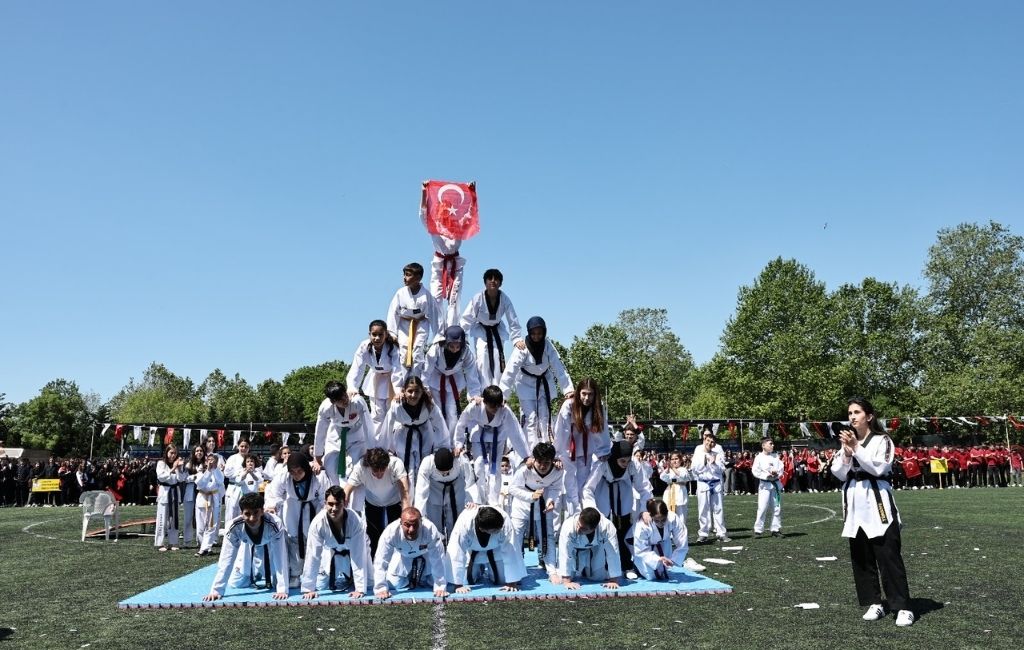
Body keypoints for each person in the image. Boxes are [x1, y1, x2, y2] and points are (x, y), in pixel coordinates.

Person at [831, 397, 914, 627]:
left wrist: (856, 448)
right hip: (854, 503)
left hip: (877, 502)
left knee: (888, 556)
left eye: (857, 412)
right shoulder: (848, 442)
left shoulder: (882, 440)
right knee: (862, 557)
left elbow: (879, 467)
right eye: (850, 413)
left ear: (869, 416)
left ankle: (902, 606)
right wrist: (847, 453)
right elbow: (838, 472)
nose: (852, 417)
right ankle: (874, 602)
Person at [498, 316, 574, 447]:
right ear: (529, 332)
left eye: (539, 333)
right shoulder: (522, 347)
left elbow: (559, 367)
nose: (536, 336)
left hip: (544, 382)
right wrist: (503, 395)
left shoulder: (548, 345)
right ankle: (532, 448)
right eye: (533, 333)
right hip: (525, 384)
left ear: (544, 332)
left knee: (544, 416)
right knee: (531, 418)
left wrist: (568, 389)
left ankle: (545, 446)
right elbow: (510, 371)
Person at [581, 440, 653, 578]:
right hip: (602, 497)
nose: (625, 464)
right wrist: (592, 510)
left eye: (628, 460)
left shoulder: (634, 465)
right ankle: (602, 566)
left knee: (624, 532)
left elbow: (645, 488)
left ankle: (626, 565)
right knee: (602, 533)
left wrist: (644, 509)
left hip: (624, 498)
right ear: (614, 457)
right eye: (622, 461)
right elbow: (588, 489)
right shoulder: (602, 464)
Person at [203, 493, 289, 601]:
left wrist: (282, 589)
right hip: (247, 547)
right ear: (241, 514)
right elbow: (226, 558)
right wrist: (216, 590)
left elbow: (280, 556)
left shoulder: (275, 524)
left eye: (256, 512)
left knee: (278, 582)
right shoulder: (234, 527)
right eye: (247, 514)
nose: (252, 518)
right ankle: (253, 573)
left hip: (271, 547)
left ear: (262, 511)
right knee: (236, 583)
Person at [454, 385, 529, 506]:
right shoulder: (475, 406)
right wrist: (458, 443)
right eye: (492, 406)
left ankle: (493, 501)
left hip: (497, 437)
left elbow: (515, 431)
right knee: (479, 466)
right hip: (479, 436)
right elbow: (462, 423)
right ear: (484, 401)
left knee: (495, 469)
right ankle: (481, 500)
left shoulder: (505, 410)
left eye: (497, 406)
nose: (495, 409)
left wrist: (525, 455)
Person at [265, 453, 330, 588]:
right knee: (294, 540)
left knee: (317, 540)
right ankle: (295, 573)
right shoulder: (284, 475)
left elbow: (325, 498)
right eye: (293, 472)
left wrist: (324, 513)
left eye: (299, 471)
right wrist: (272, 505)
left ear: (305, 468)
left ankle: (318, 572)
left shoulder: (318, 476)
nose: (296, 475)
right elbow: (274, 493)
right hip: (293, 508)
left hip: (314, 508)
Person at [379, 375, 448, 497]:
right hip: (403, 437)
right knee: (407, 469)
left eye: (417, 391)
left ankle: (423, 498)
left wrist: (443, 447)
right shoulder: (397, 405)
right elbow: (388, 426)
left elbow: (440, 424)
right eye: (410, 391)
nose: (413, 395)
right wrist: (384, 450)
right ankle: (407, 500)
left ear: (422, 391)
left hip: (425, 435)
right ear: (403, 391)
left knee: (423, 466)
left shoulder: (429, 404)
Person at [300, 485, 370, 600]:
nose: (334, 508)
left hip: (358, 551)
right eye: (330, 504)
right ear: (325, 504)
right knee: (320, 586)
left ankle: (355, 580)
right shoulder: (318, 523)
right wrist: (309, 588)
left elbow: (358, 554)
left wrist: (360, 588)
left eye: (338, 504)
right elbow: (313, 555)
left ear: (345, 503)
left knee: (369, 583)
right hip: (330, 551)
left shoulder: (355, 520)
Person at [459, 268, 525, 387]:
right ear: (485, 282)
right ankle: (484, 391)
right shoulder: (478, 298)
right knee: (482, 360)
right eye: (490, 278)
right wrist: (461, 337)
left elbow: (513, 319)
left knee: (498, 360)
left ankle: (497, 391)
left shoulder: (505, 299)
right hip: (481, 331)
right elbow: (466, 319)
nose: (493, 281)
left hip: (497, 331)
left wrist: (517, 339)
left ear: (500, 283)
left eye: (496, 279)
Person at [343, 447, 410, 558]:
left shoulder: (396, 464)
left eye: (382, 469)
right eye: (375, 471)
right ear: (369, 466)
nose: (379, 474)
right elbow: (347, 490)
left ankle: (397, 559)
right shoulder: (361, 467)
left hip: (394, 501)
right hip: (373, 502)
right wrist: (342, 510)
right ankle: (374, 560)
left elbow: (405, 493)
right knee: (373, 536)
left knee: (396, 533)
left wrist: (406, 515)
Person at [554, 377, 611, 508]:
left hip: (587, 450)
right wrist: (557, 454)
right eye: (584, 393)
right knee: (570, 485)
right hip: (568, 449)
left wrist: (603, 450)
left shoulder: (598, 406)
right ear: (578, 392)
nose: (587, 398)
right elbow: (562, 430)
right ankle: (572, 514)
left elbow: (602, 429)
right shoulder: (569, 405)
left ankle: (583, 513)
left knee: (583, 485)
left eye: (590, 394)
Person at [509, 442, 565, 575]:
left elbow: (555, 489)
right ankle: (515, 568)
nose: (543, 466)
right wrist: (530, 496)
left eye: (547, 462)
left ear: (553, 461)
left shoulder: (558, 471)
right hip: (522, 505)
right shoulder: (524, 469)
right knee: (515, 536)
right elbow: (512, 488)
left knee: (548, 535)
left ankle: (550, 568)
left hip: (544, 505)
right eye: (540, 462)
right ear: (534, 459)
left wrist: (551, 501)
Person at [421, 181, 470, 332]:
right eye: (442, 208)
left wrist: (472, 194)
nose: (445, 210)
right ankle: (438, 334)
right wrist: (424, 192)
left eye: (448, 208)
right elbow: (423, 213)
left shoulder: (458, 224)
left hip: (456, 265)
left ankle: (451, 332)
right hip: (439, 265)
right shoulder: (434, 225)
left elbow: (470, 214)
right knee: (435, 299)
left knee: (454, 300)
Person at [373, 506, 448, 599]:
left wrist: (440, 586)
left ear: (421, 522)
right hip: (402, 555)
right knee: (394, 584)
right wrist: (380, 588)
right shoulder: (390, 532)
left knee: (433, 583)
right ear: (400, 523)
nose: (411, 529)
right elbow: (381, 561)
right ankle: (411, 579)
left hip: (426, 555)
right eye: (407, 525)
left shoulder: (430, 529)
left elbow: (438, 558)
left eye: (415, 525)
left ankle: (422, 577)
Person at [448, 505, 526, 593]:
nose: (500, 530)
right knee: (466, 580)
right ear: (481, 529)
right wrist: (458, 585)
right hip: (472, 551)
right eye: (495, 531)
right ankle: (479, 568)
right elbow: (457, 550)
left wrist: (512, 582)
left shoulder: (504, 519)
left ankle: (489, 568)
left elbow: (511, 549)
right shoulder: (465, 522)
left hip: (496, 549)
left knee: (502, 580)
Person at [422, 325, 483, 437]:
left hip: (454, 379)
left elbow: (472, 373)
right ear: (446, 342)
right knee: (437, 410)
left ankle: (451, 441)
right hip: (435, 378)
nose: (455, 349)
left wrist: (474, 394)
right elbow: (426, 370)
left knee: (452, 412)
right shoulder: (435, 349)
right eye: (452, 346)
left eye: (458, 346)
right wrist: (425, 388)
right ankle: (437, 440)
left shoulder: (466, 352)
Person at [347, 319, 404, 433]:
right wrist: (352, 387)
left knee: (393, 412)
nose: (377, 338)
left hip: (391, 381)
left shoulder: (393, 347)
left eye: (380, 335)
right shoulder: (364, 346)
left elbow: (397, 369)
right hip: (375, 380)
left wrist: (398, 390)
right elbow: (357, 367)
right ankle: (377, 442)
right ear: (369, 334)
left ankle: (393, 442)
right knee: (377, 414)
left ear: (386, 334)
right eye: (374, 334)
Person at [387, 262, 442, 377]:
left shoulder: (426, 295)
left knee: (417, 352)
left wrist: (438, 336)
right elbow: (393, 313)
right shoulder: (400, 293)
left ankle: (416, 381)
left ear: (418, 278)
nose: (404, 278)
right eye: (404, 274)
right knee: (403, 353)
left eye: (408, 275)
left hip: (421, 324)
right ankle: (405, 382)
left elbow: (435, 314)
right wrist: (392, 333)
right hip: (404, 325)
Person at [312, 380, 372, 487]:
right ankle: (337, 491)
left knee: (358, 466)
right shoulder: (325, 408)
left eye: (345, 395)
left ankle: (355, 491)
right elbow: (320, 432)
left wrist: (370, 450)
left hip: (357, 434)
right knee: (330, 465)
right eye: (340, 399)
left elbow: (368, 425)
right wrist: (317, 458)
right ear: (332, 401)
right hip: (336, 435)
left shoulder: (357, 401)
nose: (345, 400)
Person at [627, 499, 705, 579]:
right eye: (657, 521)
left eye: (663, 520)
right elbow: (640, 550)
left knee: (664, 571)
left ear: (667, 514)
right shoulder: (642, 525)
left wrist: (674, 560)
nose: (660, 523)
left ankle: (677, 564)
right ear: (651, 516)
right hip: (636, 545)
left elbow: (682, 541)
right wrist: (657, 559)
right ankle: (634, 566)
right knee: (651, 576)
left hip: (662, 542)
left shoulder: (673, 518)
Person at [414, 447, 477, 542]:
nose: (444, 474)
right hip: (435, 492)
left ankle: (455, 543)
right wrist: (419, 515)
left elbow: (469, 482)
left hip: (456, 490)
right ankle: (438, 545)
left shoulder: (461, 461)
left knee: (456, 523)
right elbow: (421, 491)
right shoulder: (427, 463)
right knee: (434, 524)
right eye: (441, 472)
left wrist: (471, 502)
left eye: (447, 471)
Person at [554, 507, 621, 590]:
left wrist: (614, 580)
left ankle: (587, 570)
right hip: (574, 551)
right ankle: (580, 570)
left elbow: (613, 553)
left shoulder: (607, 527)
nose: (578, 529)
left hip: (595, 549)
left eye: (583, 528)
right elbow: (565, 553)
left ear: (594, 528)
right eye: (578, 524)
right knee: (563, 578)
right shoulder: (568, 526)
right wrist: (566, 581)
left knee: (597, 578)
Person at [692, 427, 730, 543]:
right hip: (703, 483)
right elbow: (694, 469)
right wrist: (704, 463)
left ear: (714, 444)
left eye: (712, 442)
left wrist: (714, 463)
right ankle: (703, 533)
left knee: (718, 509)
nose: (709, 443)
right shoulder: (698, 452)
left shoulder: (717, 453)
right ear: (704, 440)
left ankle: (721, 533)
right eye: (708, 440)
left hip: (716, 483)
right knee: (703, 509)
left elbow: (721, 469)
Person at [155, 444, 187, 552]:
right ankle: (160, 543)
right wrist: (173, 468)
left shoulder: (178, 464)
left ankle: (173, 542)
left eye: (175, 453)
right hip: (165, 493)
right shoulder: (161, 463)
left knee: (174, 519)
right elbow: (161, 477)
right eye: (171, 453)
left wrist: (179, 468)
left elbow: (181, 479)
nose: (173, 455)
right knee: (162, 519)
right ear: (166, 452)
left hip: (175, 493)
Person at [752, 437, 784, 537]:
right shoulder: (759, 457)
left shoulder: (775, 456)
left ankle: (775, 529)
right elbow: (755, 471)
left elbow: (781, 468)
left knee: (777, 508)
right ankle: (758, 530)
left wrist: (776, 473)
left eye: (773, 443)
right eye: (770, 444)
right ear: (763, 445)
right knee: (762, 508)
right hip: (764, 485)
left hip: (775, 485)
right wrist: (766, 476)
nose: (772, 445)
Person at [194, 450, 224, 556]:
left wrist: (214, 470)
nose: (211, 462)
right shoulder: (200, 472)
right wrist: (208, 470)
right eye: (209, 460)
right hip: (202, 499)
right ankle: (202, 545)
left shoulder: (218, 473)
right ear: (206, 461)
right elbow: (201, 484)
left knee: (211, 525)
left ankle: (205, 548)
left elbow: (220, 482)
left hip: (213, 500)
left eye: (213, 460)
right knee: (200, 526)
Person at [222, 437, 252, 528]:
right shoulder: (232, 458)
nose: (244, 448)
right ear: (238, 446)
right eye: (242, 446)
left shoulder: (251, 459)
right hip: (233, 488)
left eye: (246, 447)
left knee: (244, 513)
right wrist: (240, 473)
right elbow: (226, 473)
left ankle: (243, 534)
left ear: (249, 447)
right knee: (231, 514)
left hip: (246, 489)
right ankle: (229, 533)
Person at [660, 451, 692, 519]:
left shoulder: (683, 469)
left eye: (676, 459)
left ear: (680, 460)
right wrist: (668, 468)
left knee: (681, 515)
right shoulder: (669, 470)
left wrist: (673, 468)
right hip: (670, 491)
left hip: (680, 491)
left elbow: (683, 476)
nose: (674, 461)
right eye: (672, 459)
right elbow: (662, 477)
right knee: (669, 514)